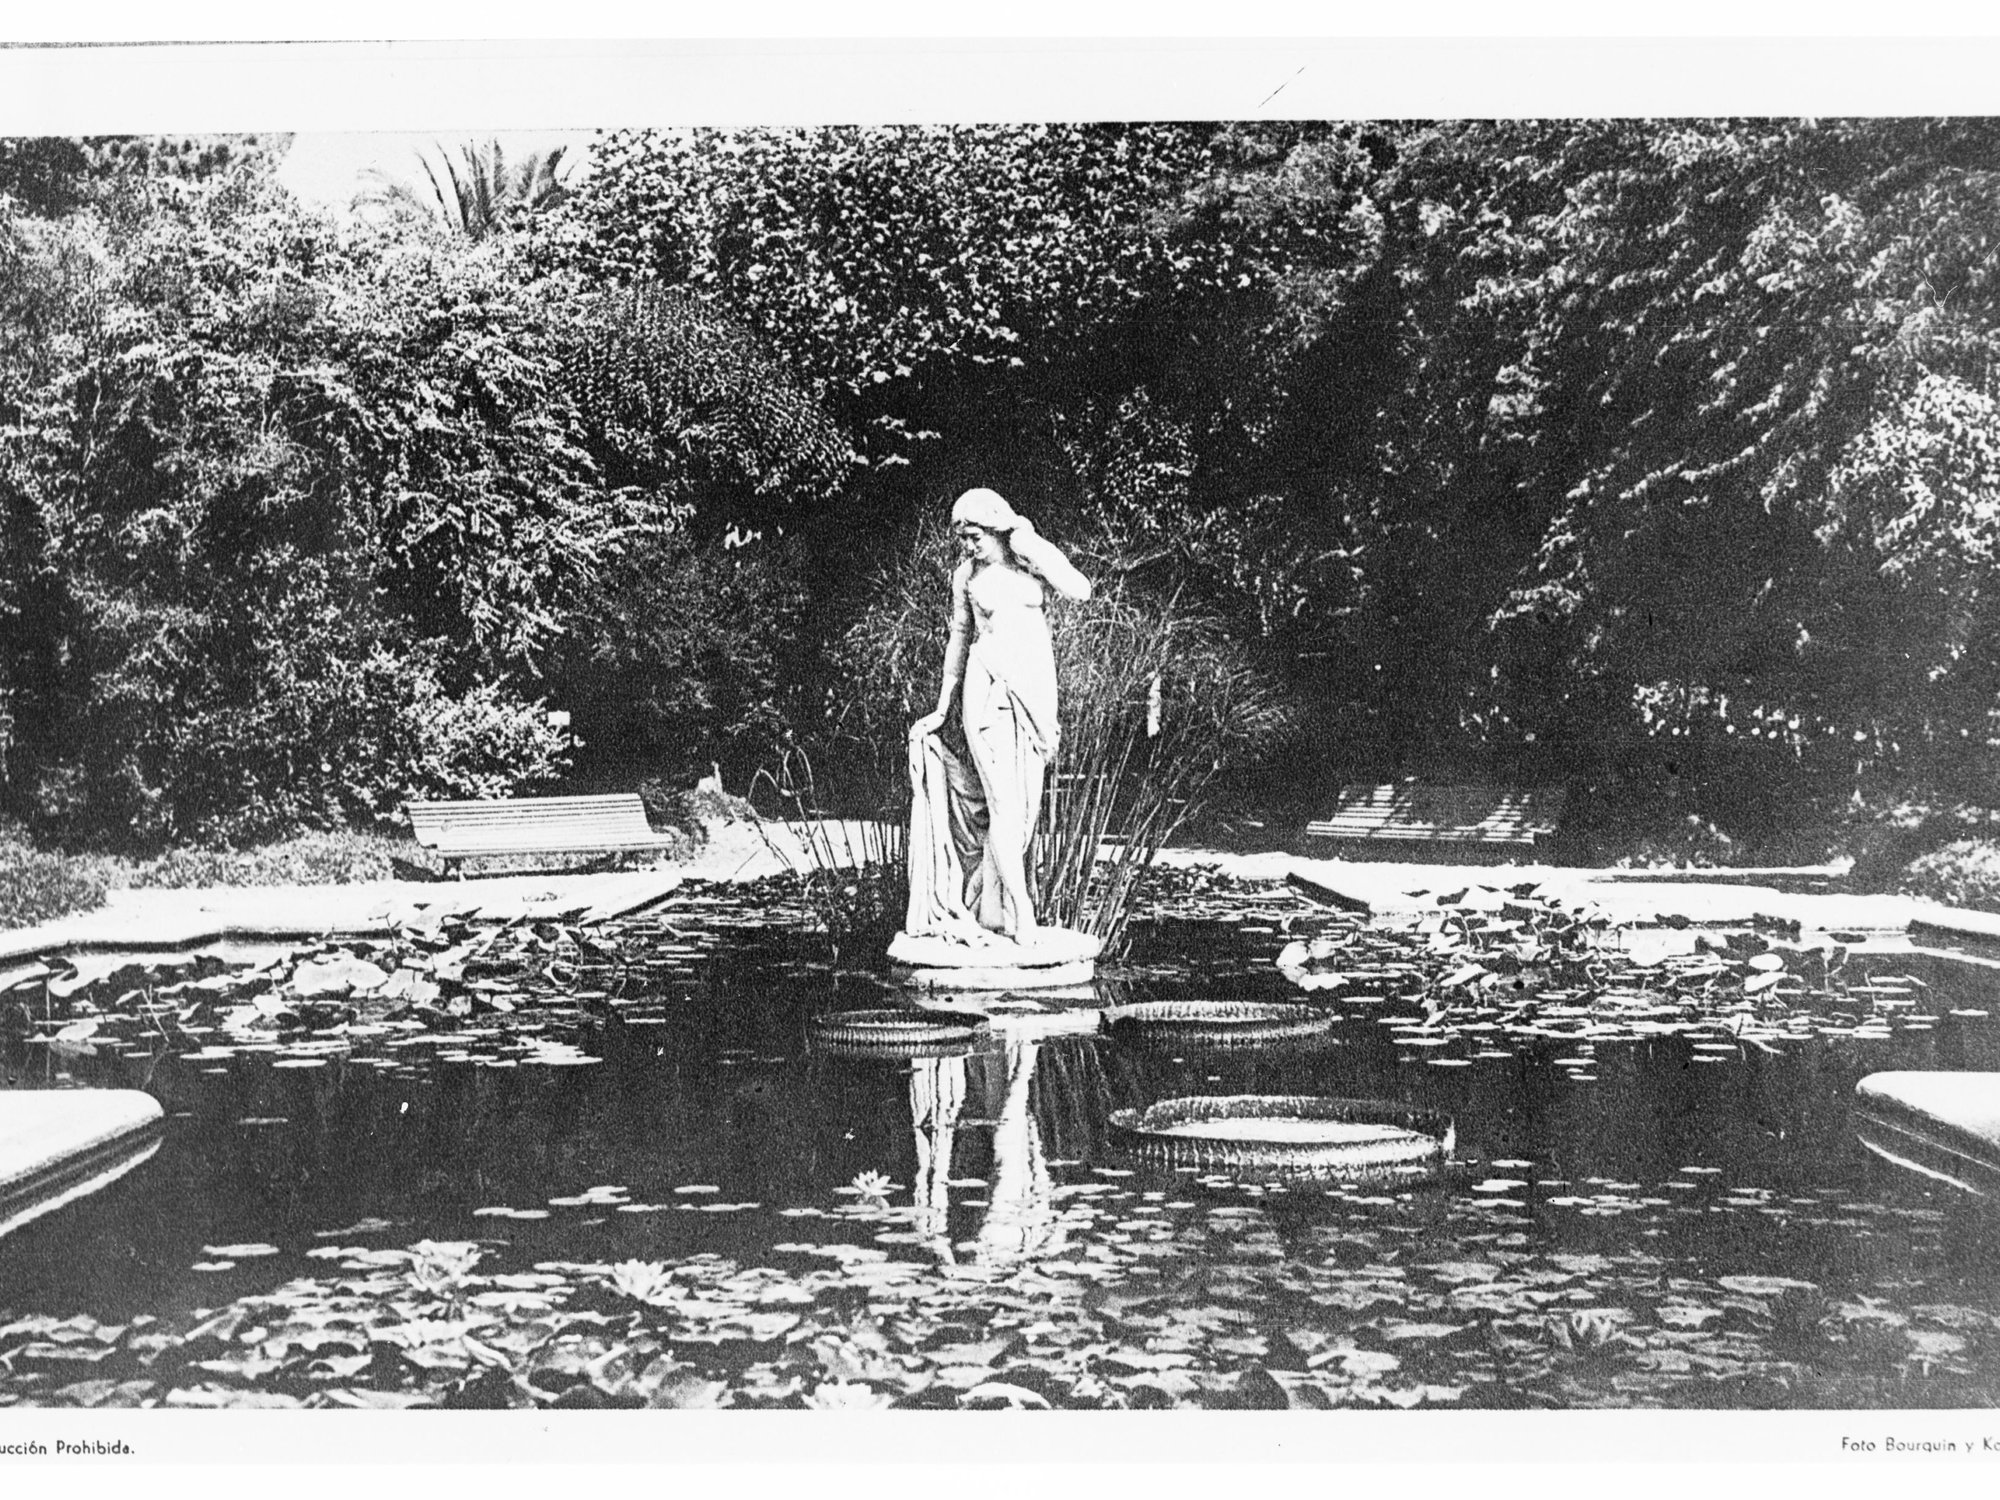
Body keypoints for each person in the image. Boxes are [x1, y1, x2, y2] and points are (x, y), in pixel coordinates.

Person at [904, 488, 1091, 946]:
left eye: (975, 536)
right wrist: (942, 707)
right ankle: (1022, 910)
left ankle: (990, 909)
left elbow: (1081, 590)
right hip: (986, 690)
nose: (968, 546)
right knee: (1005, 806)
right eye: (963, 538)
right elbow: (958, 640)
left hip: (1035, 688)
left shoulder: (1028, 559)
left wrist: (1031, 545)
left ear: (996, 526)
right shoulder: (965, 576)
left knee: (1023, 816)